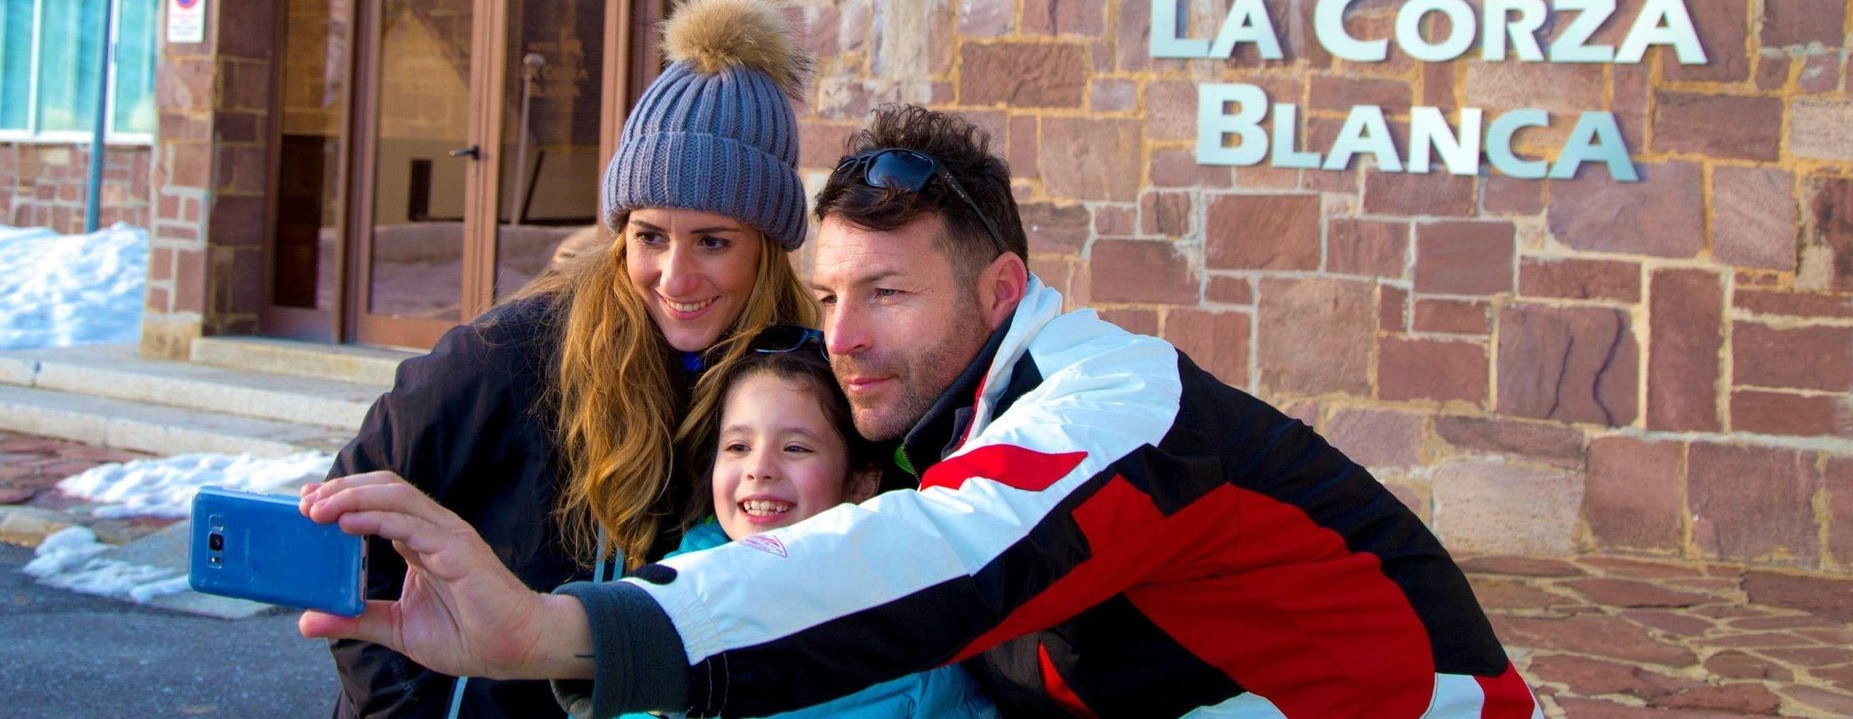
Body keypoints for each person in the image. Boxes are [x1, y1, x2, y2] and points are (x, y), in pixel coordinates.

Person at [302, 104, 1545, 719]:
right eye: (830, 292)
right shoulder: (929, 418)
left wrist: (565, 633)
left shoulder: (1115, 404)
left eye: (888, 293)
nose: (841, 337)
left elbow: (943, 551)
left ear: (1001, 289)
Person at [323, 0, 819, 719]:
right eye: (649, 236)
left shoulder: (792, 385)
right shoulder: (507, 355)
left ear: (768, 250)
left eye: (713, 241)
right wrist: (405, 710)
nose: (674, 276)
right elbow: (349, 522)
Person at [660, 325, 996, 719]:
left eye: (796, 448)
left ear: (860, 482)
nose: (759, 469)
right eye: (738, 446)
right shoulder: (668, 591)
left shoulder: (910, 629)